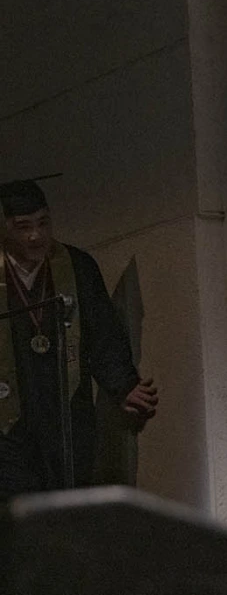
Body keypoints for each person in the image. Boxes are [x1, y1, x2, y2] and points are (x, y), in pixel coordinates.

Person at [0, 179, 158, 499]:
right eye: (23, 226)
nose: (35, 235)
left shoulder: (76, 266)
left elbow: (103, 331)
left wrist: (123, 384)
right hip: (8, 417)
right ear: (3, 227)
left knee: (68, 503)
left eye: (43, 223)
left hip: (66, 413)